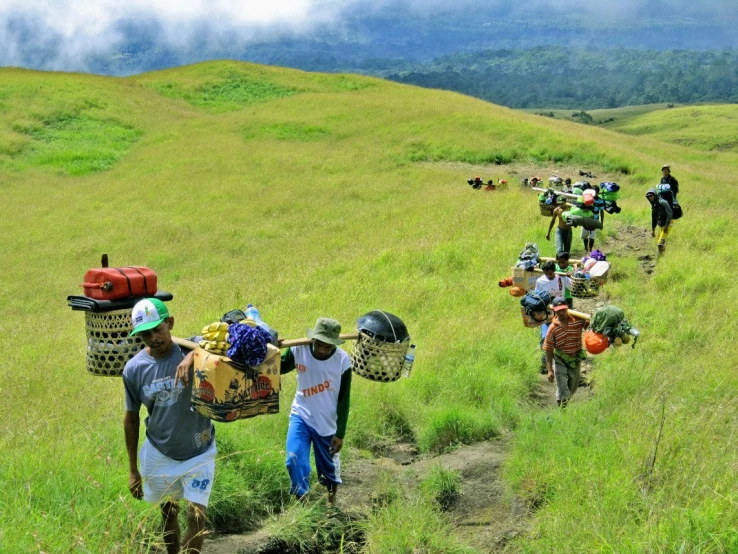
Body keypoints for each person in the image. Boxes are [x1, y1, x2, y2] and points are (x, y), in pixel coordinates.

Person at [123, 298, 215, 554]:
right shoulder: (134, 369)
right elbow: (131, 418)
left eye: (157, 329)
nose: (153, 337)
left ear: (170, 323)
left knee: (196, 516)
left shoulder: (191, 348)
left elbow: (223, 346)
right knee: (168, 513)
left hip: (200, 449)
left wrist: (192, 357)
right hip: (160, 451)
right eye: (144, 334)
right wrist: (133, 470)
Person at [280, 317, 352, 504]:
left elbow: (344, 400)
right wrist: (271, 349)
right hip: (301, 415)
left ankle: (331, 503)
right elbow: (279, 367)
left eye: (328, 346)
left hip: (327, 423)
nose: (322, 349)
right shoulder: (299, 349)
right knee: (293, 460)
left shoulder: (342, 361)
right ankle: (303, 504)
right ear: (313, 339)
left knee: (328, 469)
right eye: (319, 344)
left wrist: (340, 433)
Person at [543, 297, 588, 407]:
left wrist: (590, 321)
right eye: (559, 310)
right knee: (562, 388)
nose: (562, 313)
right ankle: (562, 410)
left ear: (567, 308)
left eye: (564, 310)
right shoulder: (553, 328)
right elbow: (548, 350)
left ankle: (565, 402)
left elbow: (591, 326)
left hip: (575, 359)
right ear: (555, 311)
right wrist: (550, 370)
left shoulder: (577, 321)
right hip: (560, 360)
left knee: (572, 388)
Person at [535, 262, 571, 372]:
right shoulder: (540, 281)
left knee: (562, 337)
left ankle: (564, 364)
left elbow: (572, 286)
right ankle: (545, 364)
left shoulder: (562, 279)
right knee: (546, 338)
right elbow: (537, 295)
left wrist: (571, 275)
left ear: (554, 271)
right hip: (547, 312)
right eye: (546, 274)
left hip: (561, 312)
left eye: (550, 273)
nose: (548, 276)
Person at [646, 187, 673, 254]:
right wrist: (653, 229)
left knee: (661, 243)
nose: (650, 198)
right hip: (662, 224)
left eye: (651, 196)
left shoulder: (662, 202)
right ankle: (662, 257)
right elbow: (654, 217)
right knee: (658, 242)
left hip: (668, 223)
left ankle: (660, 258)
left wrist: (666, 226)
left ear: (655, 195)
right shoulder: (654, 205)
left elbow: (670, 213)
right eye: (648, 197)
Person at [580, 185, 605, 254]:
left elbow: (601, 212)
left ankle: (590, 249)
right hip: (586, 220)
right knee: (584, 236)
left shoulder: (600, 200)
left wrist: (601, 223)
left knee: (592, 237)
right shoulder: (586, 199)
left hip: (594, 220)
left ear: (597, 193)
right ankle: (586, 248)